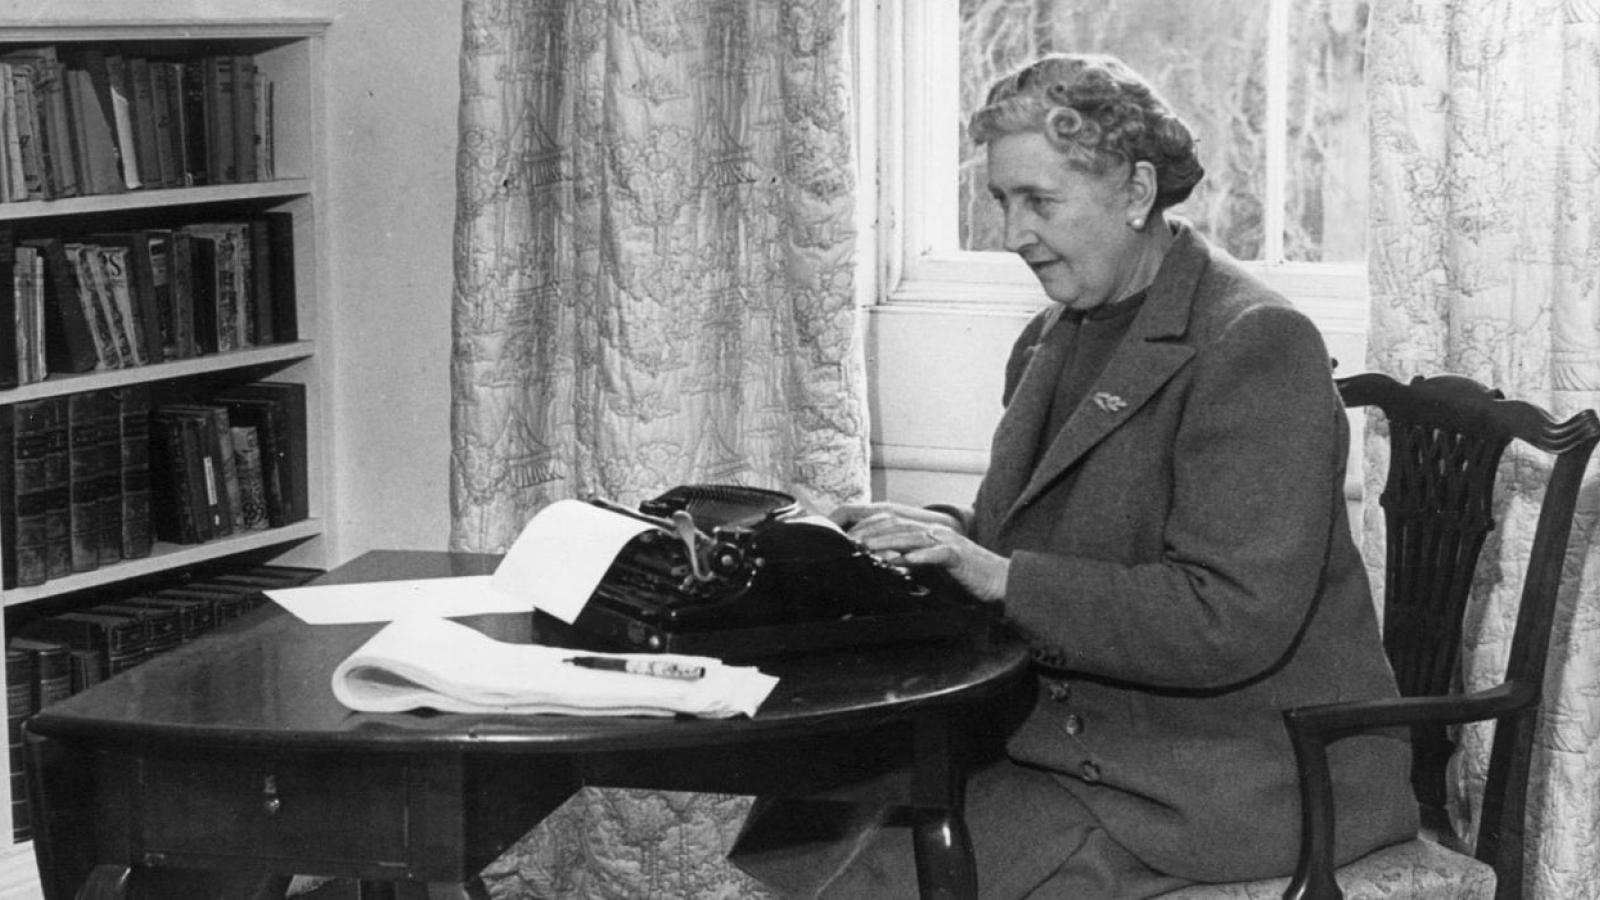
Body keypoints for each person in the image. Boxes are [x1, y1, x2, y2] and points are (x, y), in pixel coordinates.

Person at [732, 53, 1418, 897]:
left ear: (1136, 192)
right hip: (1079, 745)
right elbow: (1025, 531)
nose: (1013, 233)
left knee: (878, 880)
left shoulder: (1256, 344)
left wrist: (995, 575)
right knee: (803, 823)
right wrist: (936, 534)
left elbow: (1228, 619)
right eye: (1002, 200)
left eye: (1040, 201)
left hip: (1229, 774)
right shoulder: (1054, 335)